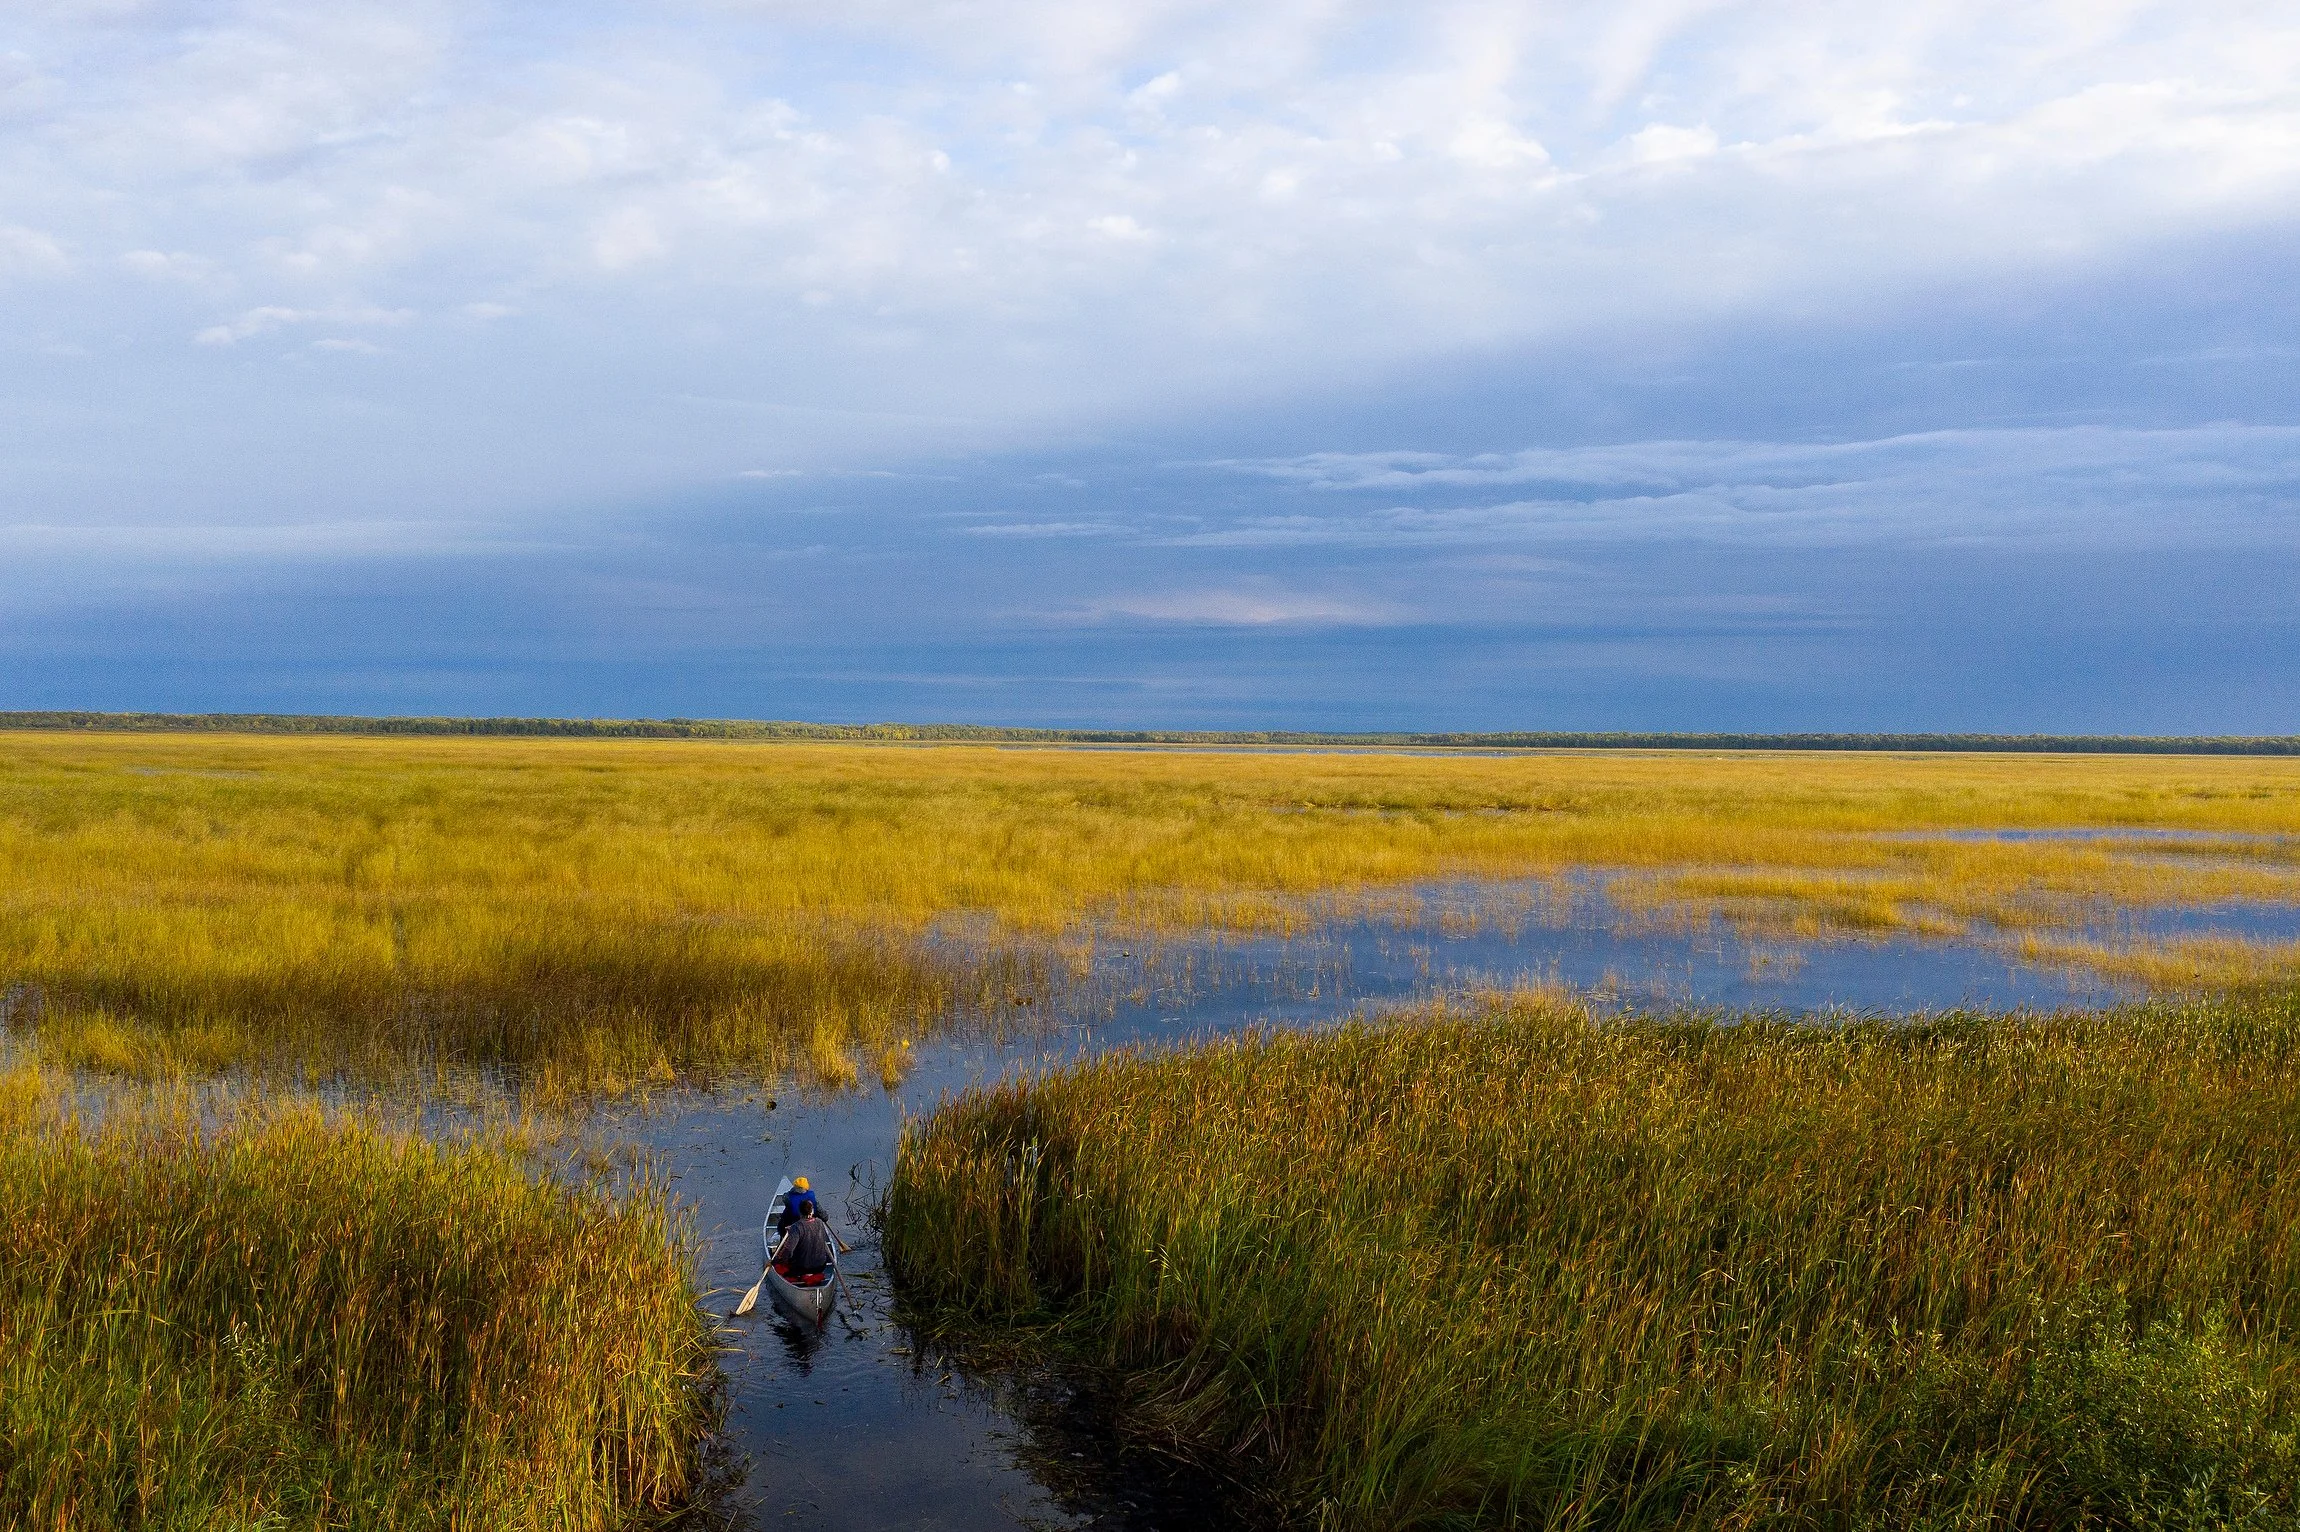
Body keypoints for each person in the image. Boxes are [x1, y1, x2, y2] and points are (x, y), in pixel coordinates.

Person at [774, 1202, 833, 1281]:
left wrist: (777, 1260)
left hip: (801, 1268)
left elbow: (788, 1250)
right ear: (812, 1211)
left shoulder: (796, 1227)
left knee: (782, 1264)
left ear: (800, 1212)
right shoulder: (820, 1223)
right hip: (820, 1267)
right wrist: (792, 1229)